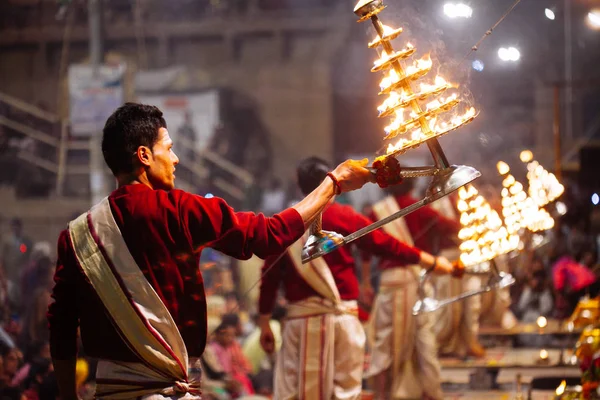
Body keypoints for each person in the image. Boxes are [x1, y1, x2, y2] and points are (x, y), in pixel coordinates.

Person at [47, 103, 375, 400]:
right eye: (169, 149)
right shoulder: (182, 210)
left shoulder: (76, 235)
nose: (175, 159)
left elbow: (61, 326)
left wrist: (66, 396)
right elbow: (269, 234)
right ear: (145, 156)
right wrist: (335, 181)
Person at [257, 157, 455, 400]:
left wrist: (265, 321)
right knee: (346, 392)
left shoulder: (288, 222)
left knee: (295, 393)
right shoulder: (345, 216)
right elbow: (386, 245)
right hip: (343, 323)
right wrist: (431, 261)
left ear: (300, 185)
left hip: (301, 324)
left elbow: (269, 277)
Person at [364, 188, 462, 400]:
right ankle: (432, 392)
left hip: (394, 284)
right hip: (419, 281)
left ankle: (385, 395)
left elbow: (364, 250)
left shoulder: (378, 211)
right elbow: (451, 227)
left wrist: (365, 283)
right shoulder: (422, 209)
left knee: (385, 347)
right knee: (425, 341)